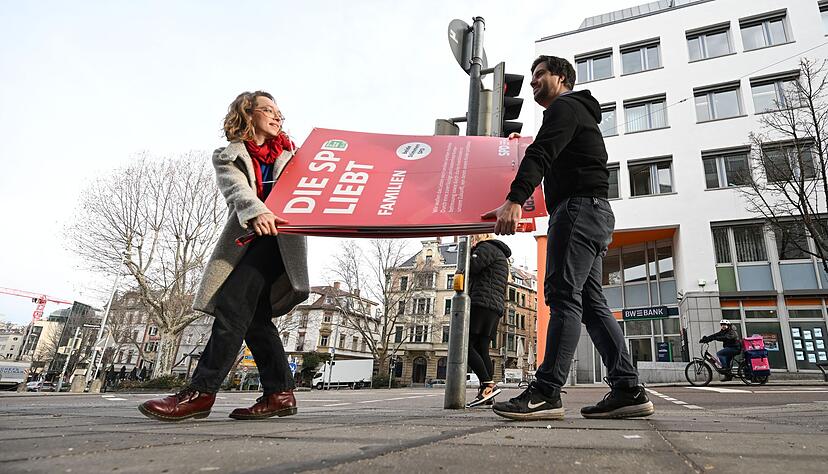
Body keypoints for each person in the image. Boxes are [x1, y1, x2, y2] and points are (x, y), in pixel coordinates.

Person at [483, 55, 654, 420]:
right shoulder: (577, 113)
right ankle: (627, 389)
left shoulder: (564, 107)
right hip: (594, 212)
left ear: (561, 78)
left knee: (562, 295)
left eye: (540, 75)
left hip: (577, 211)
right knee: (591, 304)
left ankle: (546, 392)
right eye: (532, 78)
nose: (533, 83)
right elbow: (548, 154)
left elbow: (540, 153)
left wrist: (515, 199)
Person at [139, 91, 309, 422]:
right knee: (255, 319)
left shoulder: (296, 154)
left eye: (280, 113)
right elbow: (237, 189)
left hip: (282, 241)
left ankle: (201, 393)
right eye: (268, 110)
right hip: (250, 237)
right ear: (248, 114)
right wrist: (255, 210)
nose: (277, 117)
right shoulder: (228, 156)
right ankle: (279, 393)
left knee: (232, 307)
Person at [465, 234, 511, 408]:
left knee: (465, 347)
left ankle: (487, 386)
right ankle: (487, 394)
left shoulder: (486, 248)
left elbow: (473, 266)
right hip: (494, 307)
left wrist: (468, 254)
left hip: (481, 303)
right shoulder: (500, 256)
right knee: (481, 348)